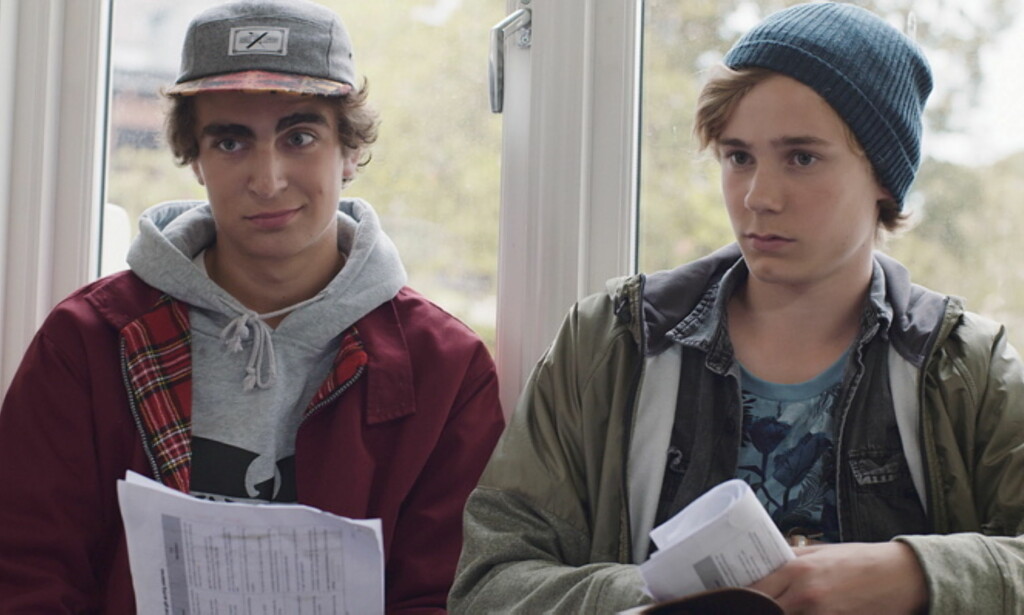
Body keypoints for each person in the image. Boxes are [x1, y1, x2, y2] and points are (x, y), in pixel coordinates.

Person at [450, 2, 1024, 614]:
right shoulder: (610, 343)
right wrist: (667, 597)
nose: (758, 196)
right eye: (738, 157)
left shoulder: (964, 367)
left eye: (801, 158)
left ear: (884, 175)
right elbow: (489, 585)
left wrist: (914, 574)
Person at [0, 0, 504, 612]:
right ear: (195, 158)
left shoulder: (444, 368)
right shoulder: (88, 339)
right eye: (232, 141)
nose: (268, 180)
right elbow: (25, 569)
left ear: (349, 151)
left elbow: (445, 593)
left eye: (300, 137)